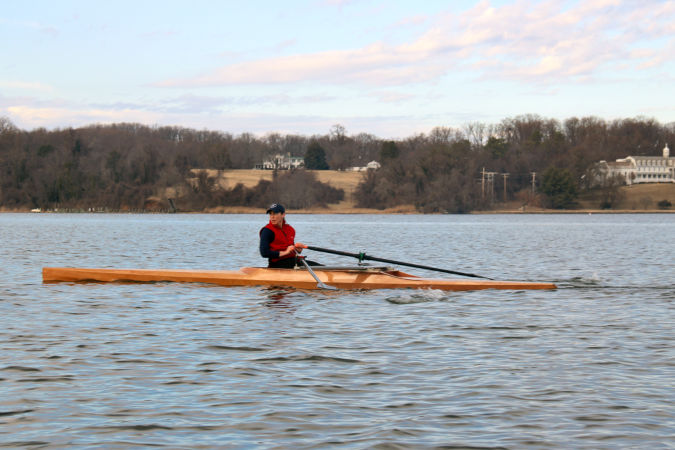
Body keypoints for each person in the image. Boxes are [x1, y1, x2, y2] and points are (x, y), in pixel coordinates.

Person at [259, 203, 319, 268]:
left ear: (283, 215)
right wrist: (285, 252)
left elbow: (289, 248)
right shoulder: (267, 231)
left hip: (295, 261)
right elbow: (264, 253)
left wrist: (297, 249)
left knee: (325, 268)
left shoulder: (290, 229)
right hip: (278, 264)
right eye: (270, 214)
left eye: (275, 213)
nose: (272, 217)